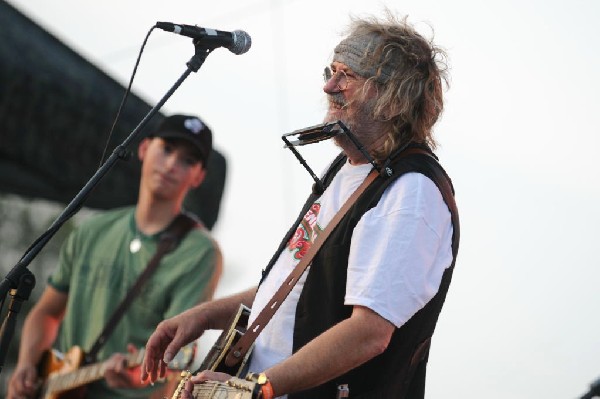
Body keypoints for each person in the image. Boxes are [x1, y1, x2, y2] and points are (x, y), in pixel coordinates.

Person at [142, 12, 459, 399]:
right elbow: (291, 289)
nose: (329, 86)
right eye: (331, 70)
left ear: (393, 96)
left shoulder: (412, 193)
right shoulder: (346, 170)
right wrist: (203, 316)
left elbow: (369, 333)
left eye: (348, 75)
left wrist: (259, 387)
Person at [7, 114, 223, 399]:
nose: (171, 165)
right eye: (167, 149)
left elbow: (176, 356)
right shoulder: (92, 230)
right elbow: (46, 313)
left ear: (199, 176)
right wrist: (26, 364)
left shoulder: (200, 253)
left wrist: (136, 376)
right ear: (144, 149)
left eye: (187, 161)